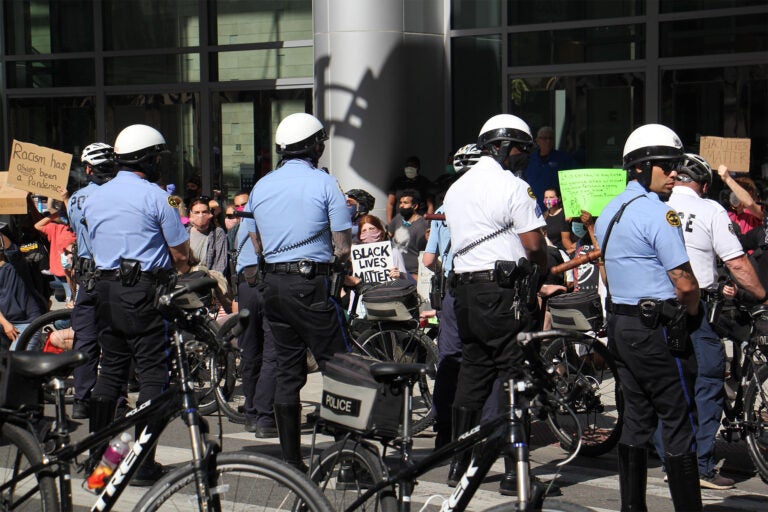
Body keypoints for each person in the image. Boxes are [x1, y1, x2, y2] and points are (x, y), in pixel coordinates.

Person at [594, 123, 702, 511]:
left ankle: (631, 507)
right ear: (640, 167)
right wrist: (691, 315)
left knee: (636, 417)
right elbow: (685, 283)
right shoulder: (660, 214)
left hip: (622, 325)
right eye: (667, 165)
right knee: (678, 418)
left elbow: (606, 270)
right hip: (656, 327)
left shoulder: (610, 210)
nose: (675, 173)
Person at [442, 114, 548, 491]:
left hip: (466, 293)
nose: (523, 157)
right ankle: (512, 472)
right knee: (513, 376)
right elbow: (534, 244)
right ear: (503, 147)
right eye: (521, 149)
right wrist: (543, 273)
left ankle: (459, 463)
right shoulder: (513, 186)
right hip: (503, 294)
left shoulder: (456, 189)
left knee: (473, 374)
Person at [83, 124, 191, 486]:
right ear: (149, 157)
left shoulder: (94, 196)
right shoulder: (161, 196)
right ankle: (142, 463)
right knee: (153, 376)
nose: (162, 161)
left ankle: (98, 459)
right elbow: (182, 251)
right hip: (144, 291)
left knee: (110, 372)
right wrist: (175, 202)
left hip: (106, 290)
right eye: (159, 156)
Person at [657, 153, 768, 490]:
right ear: (704, 185)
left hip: (654, 306)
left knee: (670, 383)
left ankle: (670, 458)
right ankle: (702, 466)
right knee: (708, 379)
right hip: (695, 305)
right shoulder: (709, 210)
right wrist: (762, 296)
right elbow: (736, 263)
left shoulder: (653, 206)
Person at [247, 112, 351, 471]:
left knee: (288, 371)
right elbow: (342, 244)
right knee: (339, 366)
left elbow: (255, 239)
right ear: (314, 147)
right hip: (309, 284)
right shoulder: (325, 184)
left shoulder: (262, 186)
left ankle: (292, 461)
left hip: (272, 285)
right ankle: (348, 458)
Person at [67, 142, 116, 419]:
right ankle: (113, 398)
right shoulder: (119, 195)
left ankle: (81, 400)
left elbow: (75, 229)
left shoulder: (76, 198)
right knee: (115, 338)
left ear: (88, 169)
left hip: (87, 276)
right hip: (113, 276)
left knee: (85, 339)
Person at [34, 201, 76, 307]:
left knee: (70, 303)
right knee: (63, 299)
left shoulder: (78, 229)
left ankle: (63, 322)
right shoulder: (57, 228)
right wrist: (55, 215)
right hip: (58, 273)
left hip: (72, 275)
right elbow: (37, 226)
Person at [524, 126, 577, 210]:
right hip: (532, 208)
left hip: (554, 209)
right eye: (544, 138)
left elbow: (575, 180)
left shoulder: (563, 159)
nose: (548, 141)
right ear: (537, 141)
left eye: (550, 138)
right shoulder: (529, 160)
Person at [388, 189, 428, 280]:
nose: (401, 205)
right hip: (394, 270)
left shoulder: (422, 225)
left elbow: (423, 251)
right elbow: (388, 235)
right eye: (400, 202)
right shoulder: (398, 218)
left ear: (415, 206)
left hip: (412, 274)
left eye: (405, 203)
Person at [386, 156, 434, 223]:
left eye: (413, 165)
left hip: (418, 223)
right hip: (400, 223)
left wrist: (428, 224)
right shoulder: (398, 182)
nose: (409, 168)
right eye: (407, 165)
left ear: (418, 168)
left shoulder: (425, 183)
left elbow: (430, 205)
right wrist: (389, 224)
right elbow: (390, 203)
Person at [187, 196, 228, 274]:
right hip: (187, 280)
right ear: (190, 214)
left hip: (209, 280)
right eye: (197, 212)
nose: (201, 215)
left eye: (204, 212)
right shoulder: (184, 233)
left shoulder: (217, 233)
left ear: (210, 213)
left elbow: (220, 264)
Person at [719, 166, 762, 236]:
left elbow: (750, 204)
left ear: (750, 192)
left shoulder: (756, 213)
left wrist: (727, 178)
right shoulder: (728, 214)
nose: (733, 193)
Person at [542, 187, 575, 254]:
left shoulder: (566, 215)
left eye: (551, 197)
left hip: (566, 254)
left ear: (559, 199)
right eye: (546, 197)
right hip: (552, 254)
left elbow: (566, 240)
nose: (548, 200)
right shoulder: (543, 217)